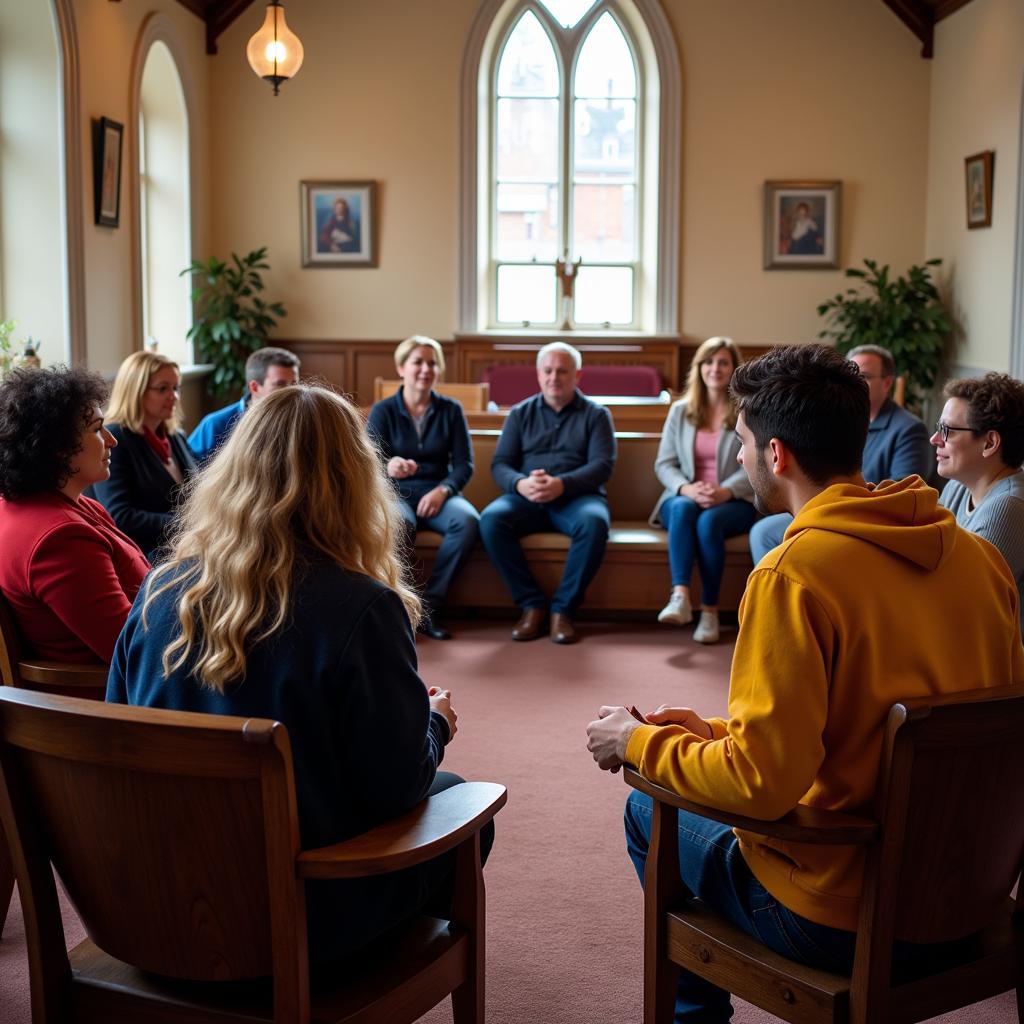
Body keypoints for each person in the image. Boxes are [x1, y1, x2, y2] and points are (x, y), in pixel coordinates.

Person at [586, 344, 1024, 1023]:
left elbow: (763, 785)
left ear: (778, 455)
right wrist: (712, 733)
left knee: (648, 808)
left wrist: (640, 742)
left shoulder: (793, 574)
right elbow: (870, 716)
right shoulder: (974, 557)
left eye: (741, 444)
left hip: (849, 912)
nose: (738, 458)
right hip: (976, 897)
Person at [107, 384, 492, 963]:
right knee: (461, 803)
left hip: (151, 907)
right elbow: (398, 787)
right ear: (356, 482)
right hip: (292, 919)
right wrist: (434, 724)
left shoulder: (158, 589)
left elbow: (116, 734)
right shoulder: (363, 607)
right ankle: (358, 979)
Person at [0, 366, 149, 663]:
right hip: (103, 704)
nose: (111, 440)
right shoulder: (61, 539)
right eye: (96, 429)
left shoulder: (66, 507)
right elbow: (132, 652)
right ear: (57, 446)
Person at [479, 341, 616, 645]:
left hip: (577, 498)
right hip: (525, 497)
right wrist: (520, 483)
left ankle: (563, 611)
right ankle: (531, 605)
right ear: (539, 374)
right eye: (549, 371)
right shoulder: (520, 413)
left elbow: (602, 466)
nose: (555, 377)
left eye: (563, 371)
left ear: (577, 376)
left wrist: (561, 484)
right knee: (490, 520)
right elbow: (501, 464)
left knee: (594, 523)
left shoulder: (596, 415)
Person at [749, 343, 933, 563]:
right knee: (765, 530)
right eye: (850, 374)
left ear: (887, 383)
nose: (855, 382)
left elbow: (903, 491)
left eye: (863, 375)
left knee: (765, 533)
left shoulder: (908, 429)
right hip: (823, 506)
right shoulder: (834, 419)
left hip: (866, 516)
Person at [367, 336, 478, 641]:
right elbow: (367, 462)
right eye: (418, 362)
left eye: (432, 363)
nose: (425, 369)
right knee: (398, 524)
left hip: (439, 492)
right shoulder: (383, 410)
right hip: (396, 492)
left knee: (467, 521)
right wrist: (388, 466)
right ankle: (401, 608)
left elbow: (465, 465)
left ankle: (431, 608)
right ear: (402, 368)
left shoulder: (451, 410)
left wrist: (444, 490)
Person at [649, 337, 755, 644]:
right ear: (699, 368)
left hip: (733, 499)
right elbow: (664, 464)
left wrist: (725, 491)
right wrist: (686, 488)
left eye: (723, 362)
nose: (715, 369)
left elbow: (757, 463)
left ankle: (709, 611)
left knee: (710, 523)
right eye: (708, 362)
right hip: (685, 496)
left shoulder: (749, 410)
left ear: (734, 368)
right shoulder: (680, 412)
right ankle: (680, 596)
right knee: (683, 508)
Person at [934, 373, 1024, 637]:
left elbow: (960, 603)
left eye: (946, 430)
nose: (935, 440)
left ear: (990, 443)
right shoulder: (958, 486)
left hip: (997, 667)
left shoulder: (1008, 507)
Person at [89, 351, 196, 560]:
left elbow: (199, 486)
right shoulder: (117, 439)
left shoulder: (174, 436)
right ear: (135, 391)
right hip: (145, 553)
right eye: (163, 388)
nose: (174, 396)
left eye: (176, 388)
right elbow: (120, 515)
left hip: (183, 545)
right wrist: (185, 522)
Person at [188, 347, 300, 463]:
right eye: (280, 385)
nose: (291, 391)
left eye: (294, 384)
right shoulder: (215, 425)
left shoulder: (301, 421)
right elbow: (189, 470)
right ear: (254, 387)